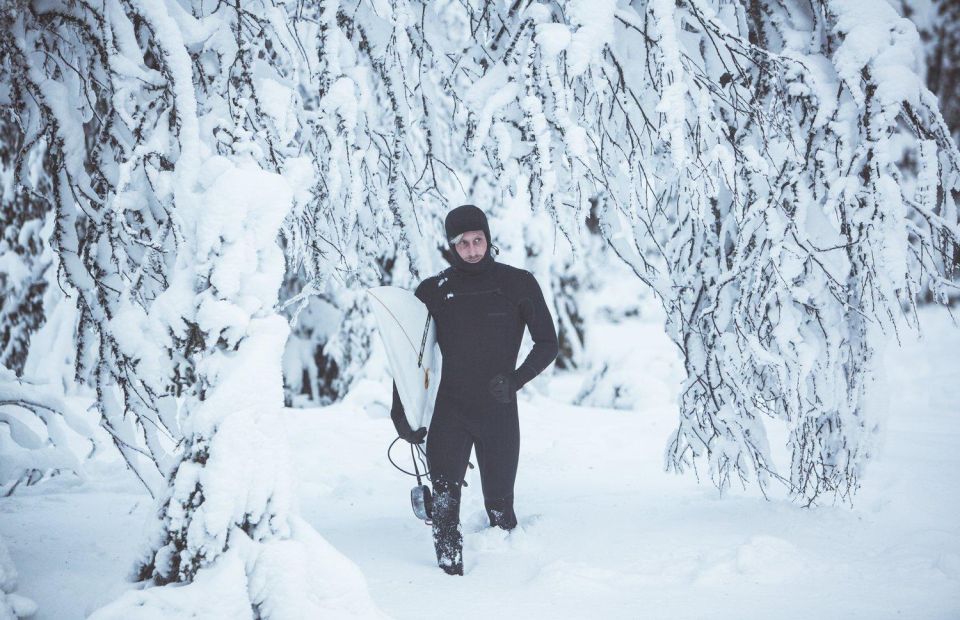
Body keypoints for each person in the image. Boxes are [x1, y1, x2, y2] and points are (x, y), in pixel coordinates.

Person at [390, 204, 559, 576]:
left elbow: (547, 343)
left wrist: (516, 379)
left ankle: (505, 591)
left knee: (500, 506)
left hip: (499, 410)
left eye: (478, 240)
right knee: (445, 503)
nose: (471, 249)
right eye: (462, 243)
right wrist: (401, 410)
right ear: (452, 246)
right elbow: (409, 356)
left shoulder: (517, 284)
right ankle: (447, 580)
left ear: (488, 239)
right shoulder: (433, 291)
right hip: (451, 409)